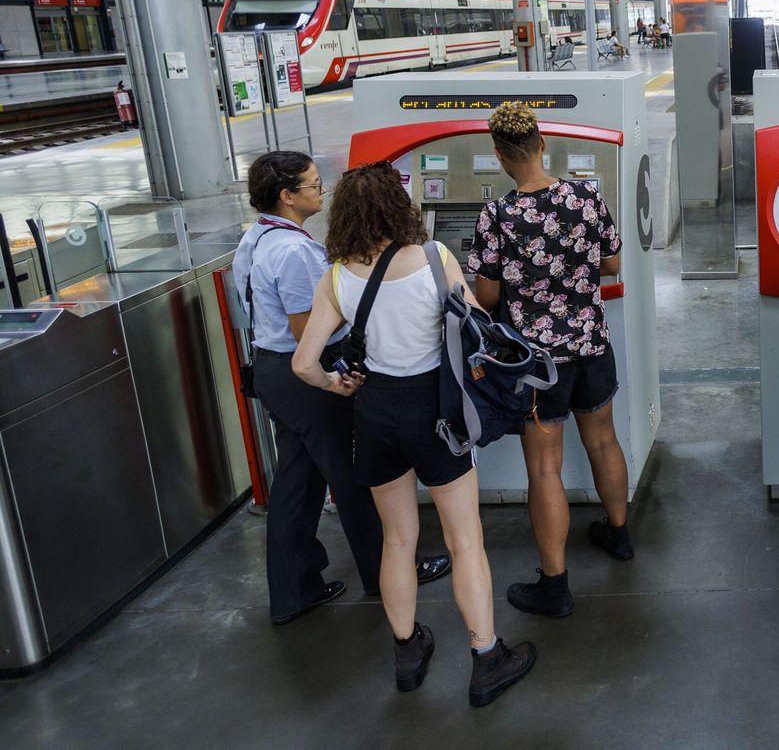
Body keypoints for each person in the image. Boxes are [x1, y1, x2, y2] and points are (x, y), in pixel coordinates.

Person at [292, 163, 535, 707]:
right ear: (396, 209)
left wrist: (340, 384)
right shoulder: (434, 258)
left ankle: (406, 651)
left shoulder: (335, 276)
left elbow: (304, 364)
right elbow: (476, 327)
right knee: (464, 539)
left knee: (397, 542)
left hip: (375, 415)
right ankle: (486, 655)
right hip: (437, 414)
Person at [234, 152, 448, 627]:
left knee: (297, 481)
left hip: (270, 372)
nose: (321, 191)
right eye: (312, 185)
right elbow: (302, 329)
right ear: (288, 196)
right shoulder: (293, 252)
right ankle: (387, 571)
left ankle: (295, 590)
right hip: (301, 376)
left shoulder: (257, 238)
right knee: (354, 474)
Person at [469, 102, 632, 621]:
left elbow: (487, 298)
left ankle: (555, 585)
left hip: (537, 363)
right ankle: (620, 533)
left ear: (499, 156)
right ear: (542, 144)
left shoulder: (496, 215)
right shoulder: (587, 195)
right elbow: (610, 263)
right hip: (591, 345)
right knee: (604, 439)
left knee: (544, 469)